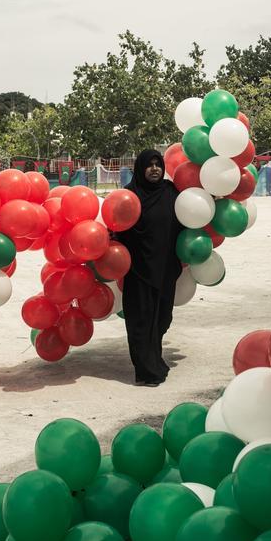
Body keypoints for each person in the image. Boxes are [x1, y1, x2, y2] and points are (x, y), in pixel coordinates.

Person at [114, 149, 182, 386]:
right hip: (138, 270)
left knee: (162, 319)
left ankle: (155, 359)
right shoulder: (129, 195)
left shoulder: (171, 192)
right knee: (141, 322)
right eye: (149, 165)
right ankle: (145, 371)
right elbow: (117, 229)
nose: (155, 169)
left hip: (165, 269)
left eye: (158, 165)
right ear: (140, 168)